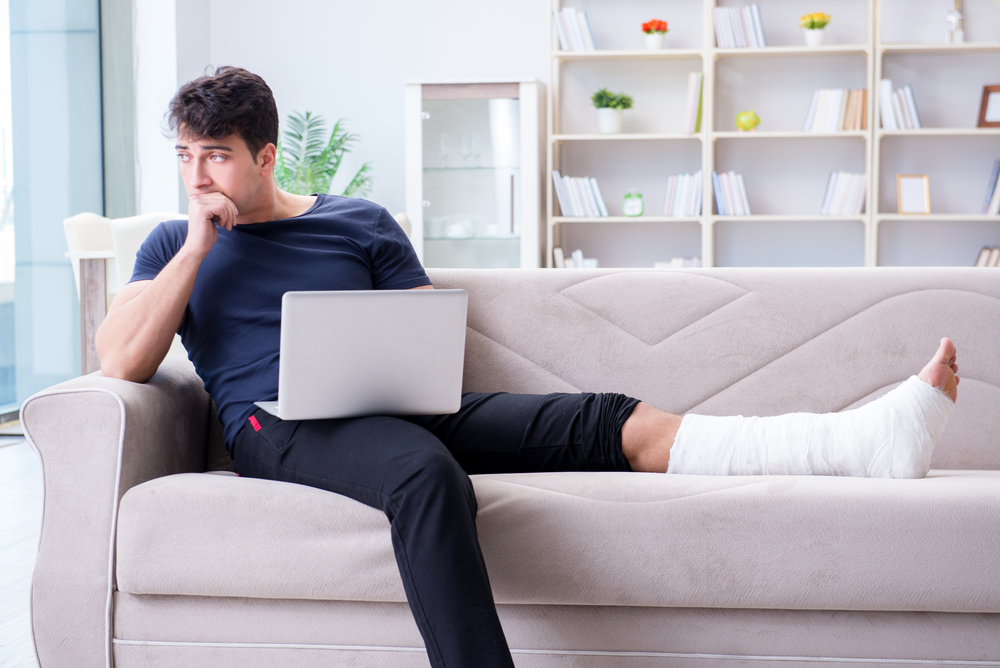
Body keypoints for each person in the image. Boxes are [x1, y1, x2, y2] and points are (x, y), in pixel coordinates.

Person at [95, 66, 959, 668]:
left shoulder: (360, 222)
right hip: (275, 424)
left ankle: (856, 444)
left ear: (265, 156)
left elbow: (422, 332)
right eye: (185, 154)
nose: (198, 173)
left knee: (607, 417)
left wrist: (396, 368)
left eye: (215, 155)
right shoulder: (175, 243)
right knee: (425, 475)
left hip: (396, 402)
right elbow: (122, 359)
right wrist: (198, 248)